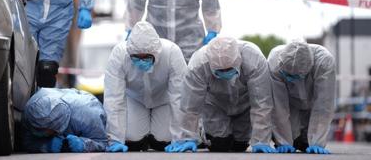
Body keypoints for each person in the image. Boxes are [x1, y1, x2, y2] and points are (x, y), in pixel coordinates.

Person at [166, 37, 276, 153]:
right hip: (215, 104)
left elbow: (261, 103)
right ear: (211, 64)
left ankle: (242, 138)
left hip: (244, 104)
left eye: (229, 69)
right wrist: (188, 137)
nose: (225, 73)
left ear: (238, 60)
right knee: (219, 146)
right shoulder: (198, 65)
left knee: (239, 146)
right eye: (220, 71)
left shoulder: (254, 59)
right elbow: (190, 105)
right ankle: (203, 132)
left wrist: (261, 139)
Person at [104, 21, 187, 152]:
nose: (142, 61)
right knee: (131, 138)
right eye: (137, 58)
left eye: (147, 57)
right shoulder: (119, 54)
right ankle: (141, 140)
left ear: (156, 52)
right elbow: (113, 98)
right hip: (134, 99)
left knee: (163, 139)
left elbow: (179, 96)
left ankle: (155, 139)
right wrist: (114, 138)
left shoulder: (172, 52)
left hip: (163, 100)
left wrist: (181, 137)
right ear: (130, 53)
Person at [268, 41, 336, 154]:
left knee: (307, 144)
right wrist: (283, 141)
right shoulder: (275, 60)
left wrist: (317, 142)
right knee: (293, 142)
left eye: (295, 76)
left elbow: (323, 104)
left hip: (312, 103)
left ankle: (311, 142)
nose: (290, 79)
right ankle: (290, 140)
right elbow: (278, 105)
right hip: (290, 104)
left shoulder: (324, 62)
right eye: (287, 75)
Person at [22, 88, 107, 153]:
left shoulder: (89, 115)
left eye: (44, 130)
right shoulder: (32, 109)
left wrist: (84, 144)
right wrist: (44, 146)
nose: (41, 132)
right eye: (38, 128)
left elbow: (103, 142)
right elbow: (26, 140)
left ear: (57, 125)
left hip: (85, 109)